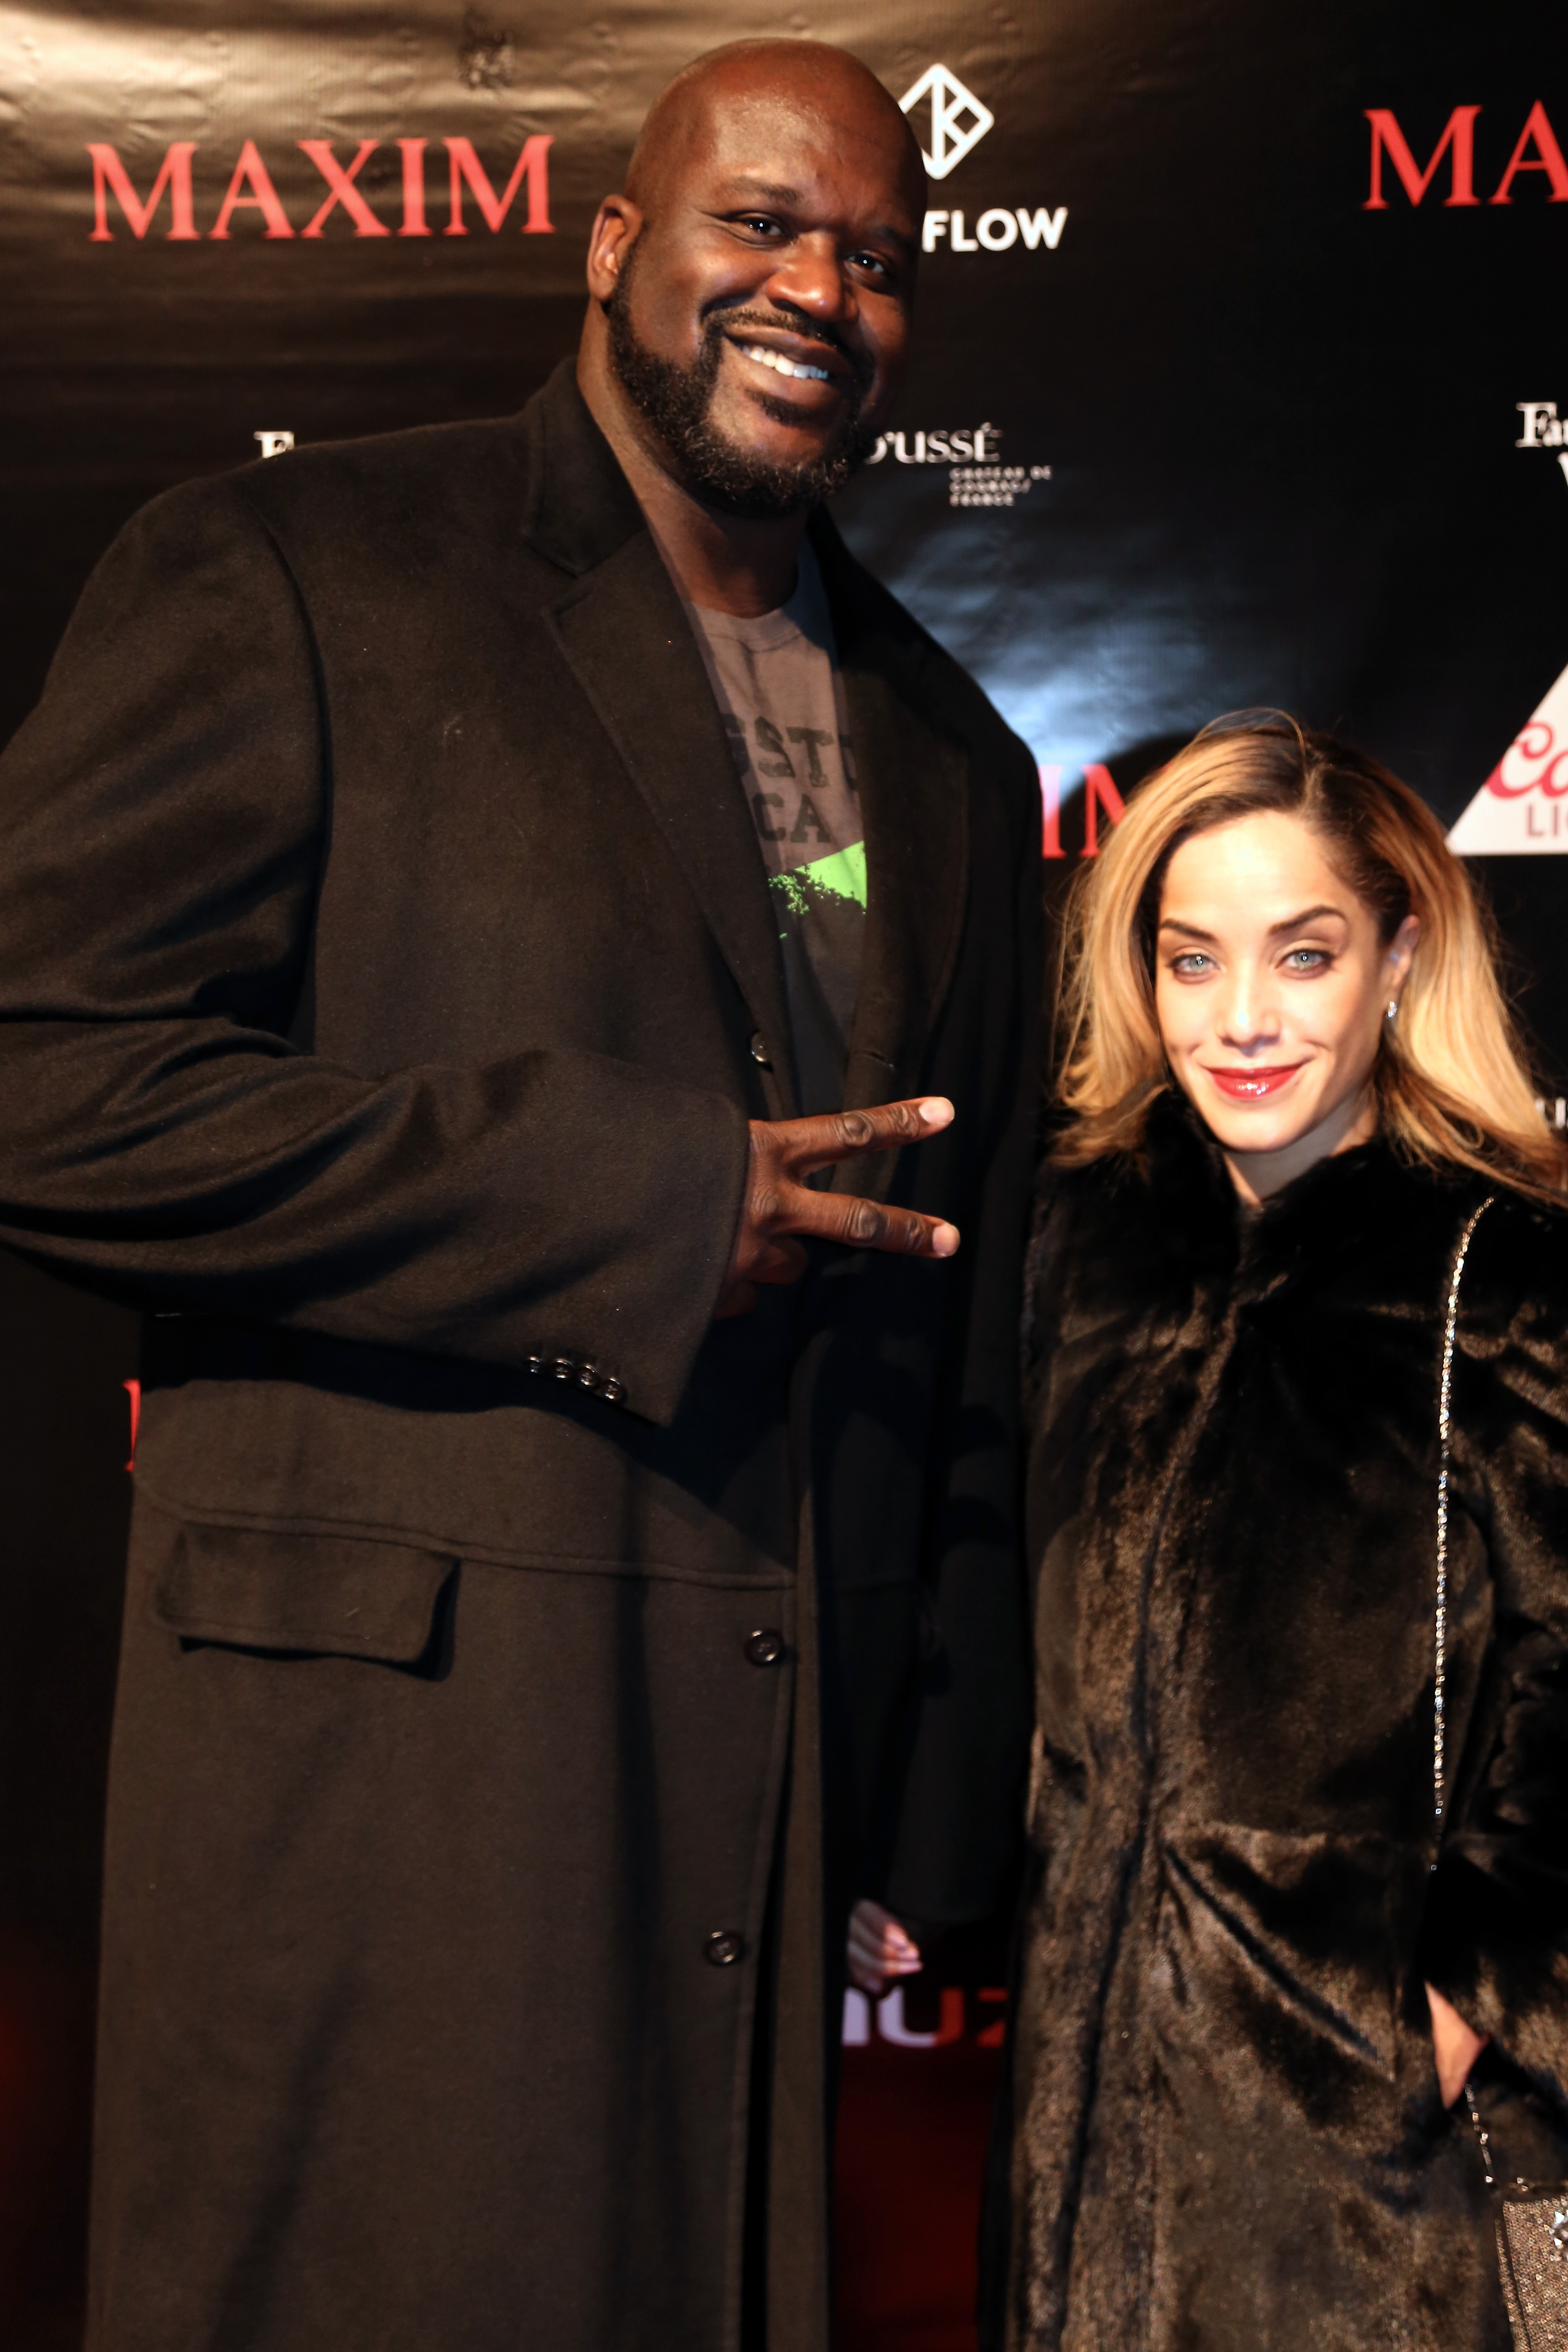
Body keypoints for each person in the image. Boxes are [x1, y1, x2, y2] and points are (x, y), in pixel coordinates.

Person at [0, 40, 1042, 2352]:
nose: (818, 287)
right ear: (610, 247)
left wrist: (929, 1794)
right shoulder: (294, 567)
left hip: (765, 1836)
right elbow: (39, 1070)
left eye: (875, 254)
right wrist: (630, 1203)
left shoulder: (957, 752)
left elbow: (964, 1322)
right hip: (397, 1815)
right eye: (757, 223)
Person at [989, 714, 1568, 2350]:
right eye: (1191, 960)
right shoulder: (1084, 1244)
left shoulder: (1500, 1273)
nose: (1241, 1018)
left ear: (1395, 960)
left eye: (1301, 954)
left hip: (1370, 2164)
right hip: (1075, 2117)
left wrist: (1453, 2002)